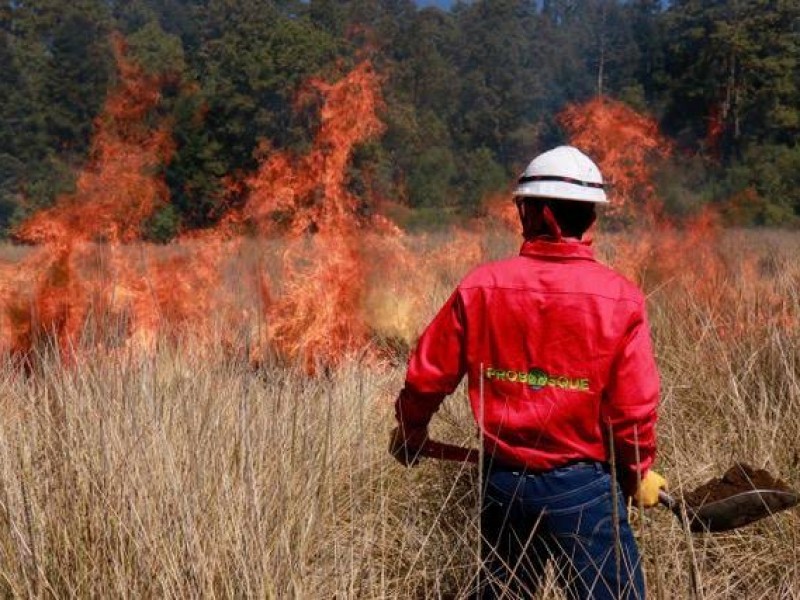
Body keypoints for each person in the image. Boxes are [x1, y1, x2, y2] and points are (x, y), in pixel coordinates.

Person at [389, 146, 667, 599]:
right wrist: (637, 471)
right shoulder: (620, 297)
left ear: (537, 214)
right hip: (584, 488)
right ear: (589, 218)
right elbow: (632, 409)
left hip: (502, 486)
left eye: (523, 208)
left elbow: (427, 377)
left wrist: (411, 428)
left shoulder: (482, 285)